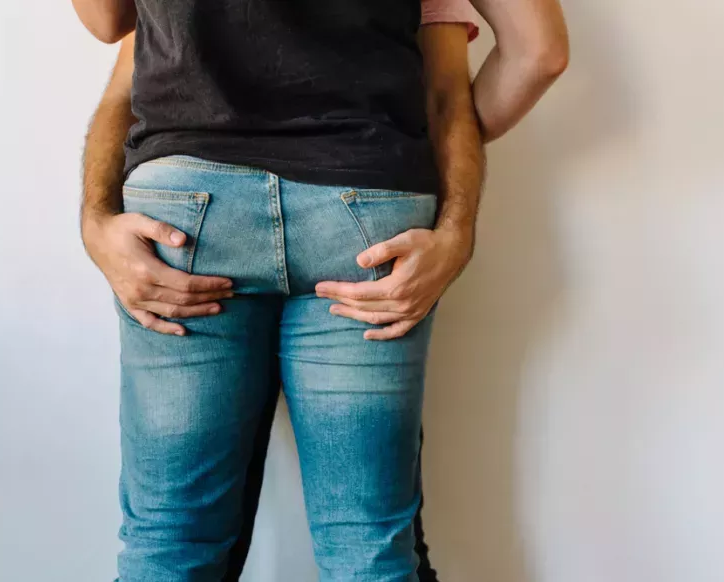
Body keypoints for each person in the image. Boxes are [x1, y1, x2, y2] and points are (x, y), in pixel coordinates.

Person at [74, 1, 567, 580]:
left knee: (170, 540)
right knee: (367, 547)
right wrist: (430, 185)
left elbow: (109, 24)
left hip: (189, 213)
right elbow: (539, 51)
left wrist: (95, 217)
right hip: (362, 209)